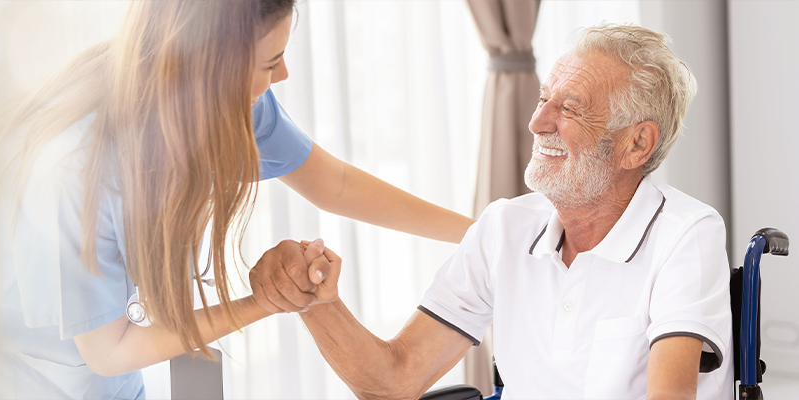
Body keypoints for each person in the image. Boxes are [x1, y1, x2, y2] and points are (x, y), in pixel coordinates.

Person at [0, 0, 474, 398]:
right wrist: (267, 300)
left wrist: (484, 232)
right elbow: (109, 350)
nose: (282, 75)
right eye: (269, 62)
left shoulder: (232, 106)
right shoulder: (78, 169)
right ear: (206, 65)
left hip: (114, 382)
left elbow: (337, 185)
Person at [254, 24, 733, 399]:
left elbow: (670, 394)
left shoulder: (686, 233)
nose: (536, 121)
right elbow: (395, 382)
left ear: (636, 144)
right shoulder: (504, 227)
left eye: (569, 107)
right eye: (544, 98)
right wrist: (319, 302)